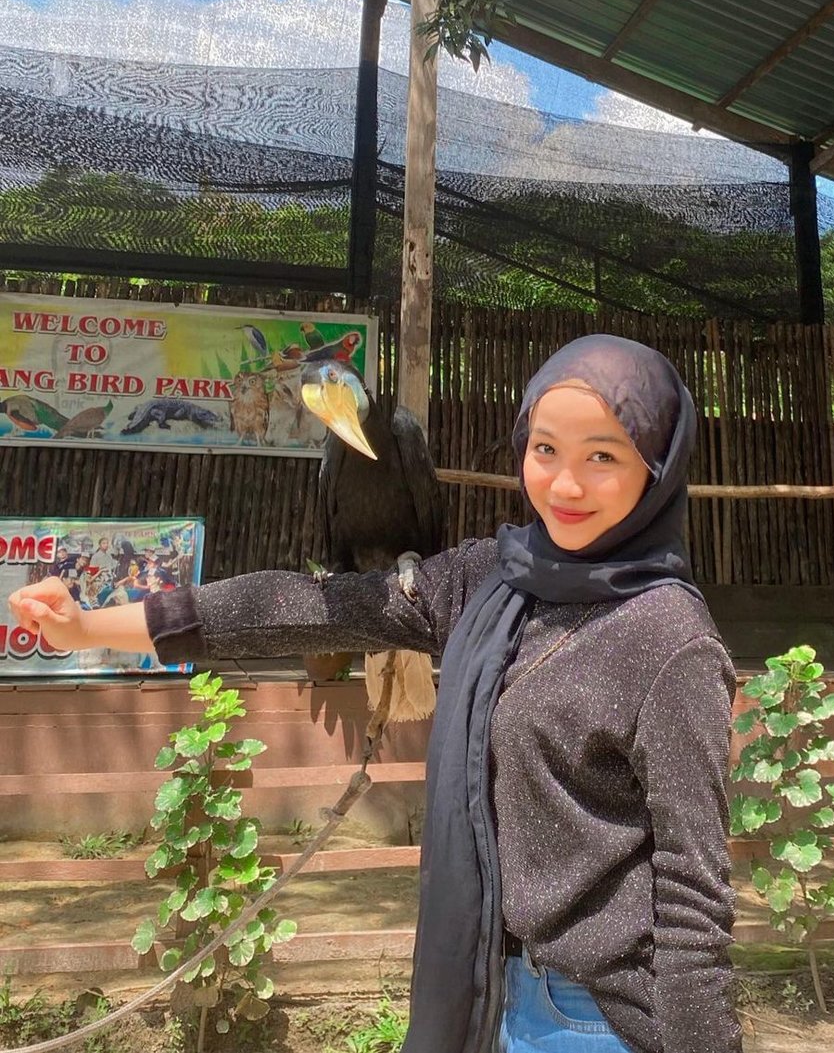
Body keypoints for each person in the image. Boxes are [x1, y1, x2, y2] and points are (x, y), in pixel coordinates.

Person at [8, 334, 742, 1053]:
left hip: (598, 1019)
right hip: (486, 994)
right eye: (545, 448)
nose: (565, 482)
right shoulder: (491, 580)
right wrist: (86, 626)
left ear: (657, 469)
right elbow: (290, 606)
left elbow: (692, 905)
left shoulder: (668, 639)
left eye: (604, 456)